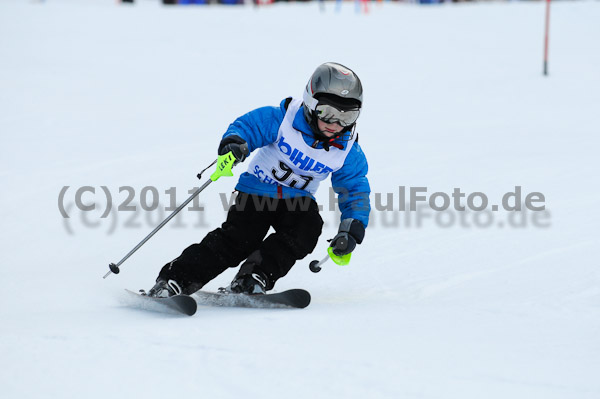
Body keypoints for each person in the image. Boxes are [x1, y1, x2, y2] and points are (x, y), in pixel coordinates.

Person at [147, 62, 371, 297]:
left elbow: (355, 188)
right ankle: (175, 280)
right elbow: (249, 126)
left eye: (347, 116)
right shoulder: (283, 120)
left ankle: (253, 277)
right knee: (239, 239)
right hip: (256, 191)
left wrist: (351, 227)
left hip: (297, 201)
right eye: (328, 112)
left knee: (306, 230)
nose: (335, 124)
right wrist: (236, 142)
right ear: (310, 103)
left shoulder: (347, 150)